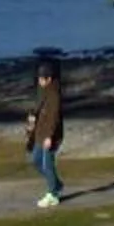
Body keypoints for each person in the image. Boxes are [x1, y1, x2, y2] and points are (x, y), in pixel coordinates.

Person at [26, 53, 66, 207]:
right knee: (36, 160)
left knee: (48, 164)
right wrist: (31, 121)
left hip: (50, 135)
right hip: (39, 133)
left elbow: (54, 117)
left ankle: (53, 194)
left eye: (42, 79)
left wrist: (49, 136)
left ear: (49, 79)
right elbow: (37, 108)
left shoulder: (54, 94)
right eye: (39, 78)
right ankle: (56, 184)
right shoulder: (42, 91)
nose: (40, 81)